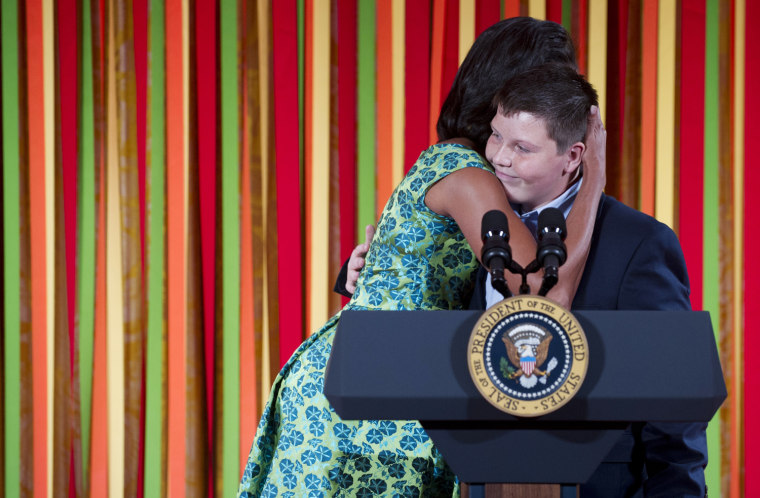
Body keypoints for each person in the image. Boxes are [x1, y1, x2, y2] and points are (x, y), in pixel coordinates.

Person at [239, 17, 607, 498]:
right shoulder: (469, 175)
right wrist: (594, 174)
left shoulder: (450, 159)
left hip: (378, 374)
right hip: (371, 395)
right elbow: (537, 295)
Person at [338, 66, 708, 498]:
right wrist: (361, 269)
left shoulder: (639, 242)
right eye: (496, 136)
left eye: (522, 147)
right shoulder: (472, 224)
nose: (499, 157)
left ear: (574, 156)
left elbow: (672, 403)